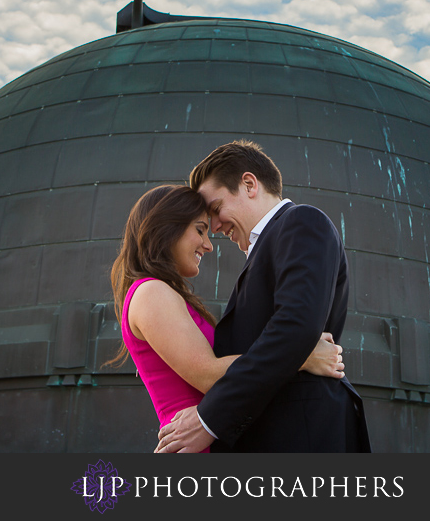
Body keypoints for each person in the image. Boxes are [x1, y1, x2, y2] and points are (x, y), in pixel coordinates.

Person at [155, 140, 371, 453]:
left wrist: (208, 420)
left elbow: (294, 327)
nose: (214, 226)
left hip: (303, 435)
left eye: (216, 209)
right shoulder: (268, 248)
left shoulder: (301, 223)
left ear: (249, 184)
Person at [106, 184, 346, 452]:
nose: (208, 245)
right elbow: (208, 375)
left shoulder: (161, 293)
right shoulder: (151, 292)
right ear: (165, 227)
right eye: (199, 229)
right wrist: (302, 355)